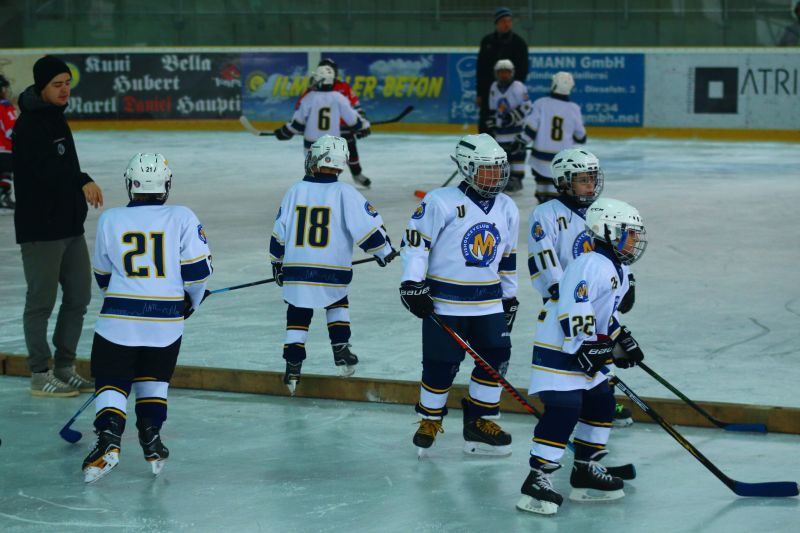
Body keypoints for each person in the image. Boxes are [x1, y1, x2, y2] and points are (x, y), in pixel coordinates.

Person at [82, 153, 213, 484]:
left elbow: (102, 274)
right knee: (154, 378)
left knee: (112, 380)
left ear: (131, 184)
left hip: (118, 318)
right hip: (165, 321)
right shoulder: (182, 216)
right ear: (166, 185)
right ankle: (151, 436)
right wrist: (191, 302)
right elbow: (198, 272)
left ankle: (109, 438)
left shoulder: (111, 219)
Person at [517, 197, 647, 515]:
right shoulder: (589, 264)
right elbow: (575, 306)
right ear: (607, 231)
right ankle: (538, 478)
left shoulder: (617, 267)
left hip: (585, 345)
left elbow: (603, 313)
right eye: (628, 233)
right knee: (564, 407)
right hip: (559, 344)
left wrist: (620, 339)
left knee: (601, 401)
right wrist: (588, 345)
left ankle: (586, 469)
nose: (634, 240)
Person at [399, 133, 519, 457]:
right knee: (441, 363)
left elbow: (508, 256)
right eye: (487, 169)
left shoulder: (507, 207)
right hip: (445, 302)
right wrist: (411, 283)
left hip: (489, 302)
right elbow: (415, 244)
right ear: (467, 168)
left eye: (499, 169)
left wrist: (509, 297)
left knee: (496, 359)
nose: (495, 176)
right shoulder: (440, 201)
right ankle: (429, 419)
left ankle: (480, 421)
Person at [269, 135, 397, 395]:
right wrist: (383, 251)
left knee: (298, 312)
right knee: (337, 302)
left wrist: (277, 262)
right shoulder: (345, 193)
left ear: (317, 160)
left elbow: (279, 231)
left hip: (297, 269)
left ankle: (293, 363)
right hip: (332, 270)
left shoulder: (295, 190)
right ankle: (341, 349)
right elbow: (368, 228)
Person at [12, 55, 103, 397]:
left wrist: (77, 189)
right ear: (41, 87)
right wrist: (82, 179)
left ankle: (65, 367)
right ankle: (40, 373)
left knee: (79, 297)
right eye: (57, 84)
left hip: (69, 227)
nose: (65, 90)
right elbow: (46, 174)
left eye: (67, 83)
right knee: (41, 302)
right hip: (41, 229)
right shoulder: (29, 126)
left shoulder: (55, 117)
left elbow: (63, 167)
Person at [527, 148, 634, 427]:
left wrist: (628, 279)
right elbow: (543, 256)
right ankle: (567, 399)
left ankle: (602, 398)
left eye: (593, 178)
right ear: (563, 181)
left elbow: (616, 248)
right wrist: (560, 290)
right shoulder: (546, 213)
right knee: (574, 349)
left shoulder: (602, 211)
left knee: (603, 346)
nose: (591, 184)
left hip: (601, 295)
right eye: (583, 179)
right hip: (567, 302)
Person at [274, 65, 371, 180]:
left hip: (311, 146)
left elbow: (297, 124)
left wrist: (285, 132)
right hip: (332, 147)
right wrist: (364, 126)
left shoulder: (309, 98)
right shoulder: (339, 98)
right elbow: (354, 121)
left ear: (320, 80)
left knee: (314, 176)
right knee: (330, 178)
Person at [517, 72, 587, 204]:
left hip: (539, 161)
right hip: (562, 163)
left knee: (542, 198)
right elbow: (581, 137)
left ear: (554, 84)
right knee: (557, 200)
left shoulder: (541, 103)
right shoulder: (574, 108)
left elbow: (530, 129)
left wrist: (521, 142)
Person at [476, 7, 529, 136]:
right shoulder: (487, 42)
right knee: (486, 124)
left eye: (509, 21)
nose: (507, 24)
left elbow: (522, 70)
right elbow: (481, 69)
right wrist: (480, 93)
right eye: (504, 21)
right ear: (497, 23)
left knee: (509, 121)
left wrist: (515, 89)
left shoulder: (519, 43)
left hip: (511, 92)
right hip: (488, 91)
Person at [486, 59, 530, 193]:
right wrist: (492, 121)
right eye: (501, 72)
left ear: (512, 73)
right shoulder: (494, 87)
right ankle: (503, 179)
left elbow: (527, 106)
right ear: (496, 73)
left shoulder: (518, 86)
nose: (504, 75)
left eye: (506, 72)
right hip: (501, 133)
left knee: (518, 157)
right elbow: (493, 108)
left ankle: (517, 180)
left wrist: (512, 117)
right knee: (502, 158)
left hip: (517, 131)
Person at [0, 74, 16, 210]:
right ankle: (4, 196)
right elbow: (11, 131)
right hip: (5, 150)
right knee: (6, 171)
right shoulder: (5, 106)